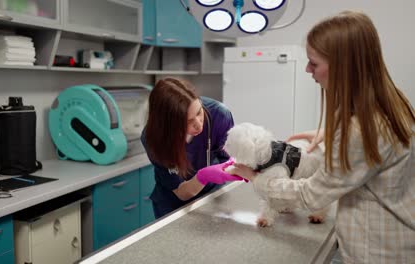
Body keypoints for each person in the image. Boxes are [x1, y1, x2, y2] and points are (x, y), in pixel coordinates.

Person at [227, 11, 415, 263]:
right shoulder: (393, 102)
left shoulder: (358, 130)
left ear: (343, 66)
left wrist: (254, 177)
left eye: (314, 63)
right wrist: (327, 134)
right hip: (397, 238)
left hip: (375, 252)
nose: (307, 69)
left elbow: (311, 194)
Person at [141, 77, 242, 218]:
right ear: (169, 125)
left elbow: (230, 160)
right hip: (173, 205)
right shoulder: (153, 138)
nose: (199, 124)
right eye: (188, 121)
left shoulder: (219, 115)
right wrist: (203, 177)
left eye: (199, 112)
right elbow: (182, 193)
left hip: (211, 197)